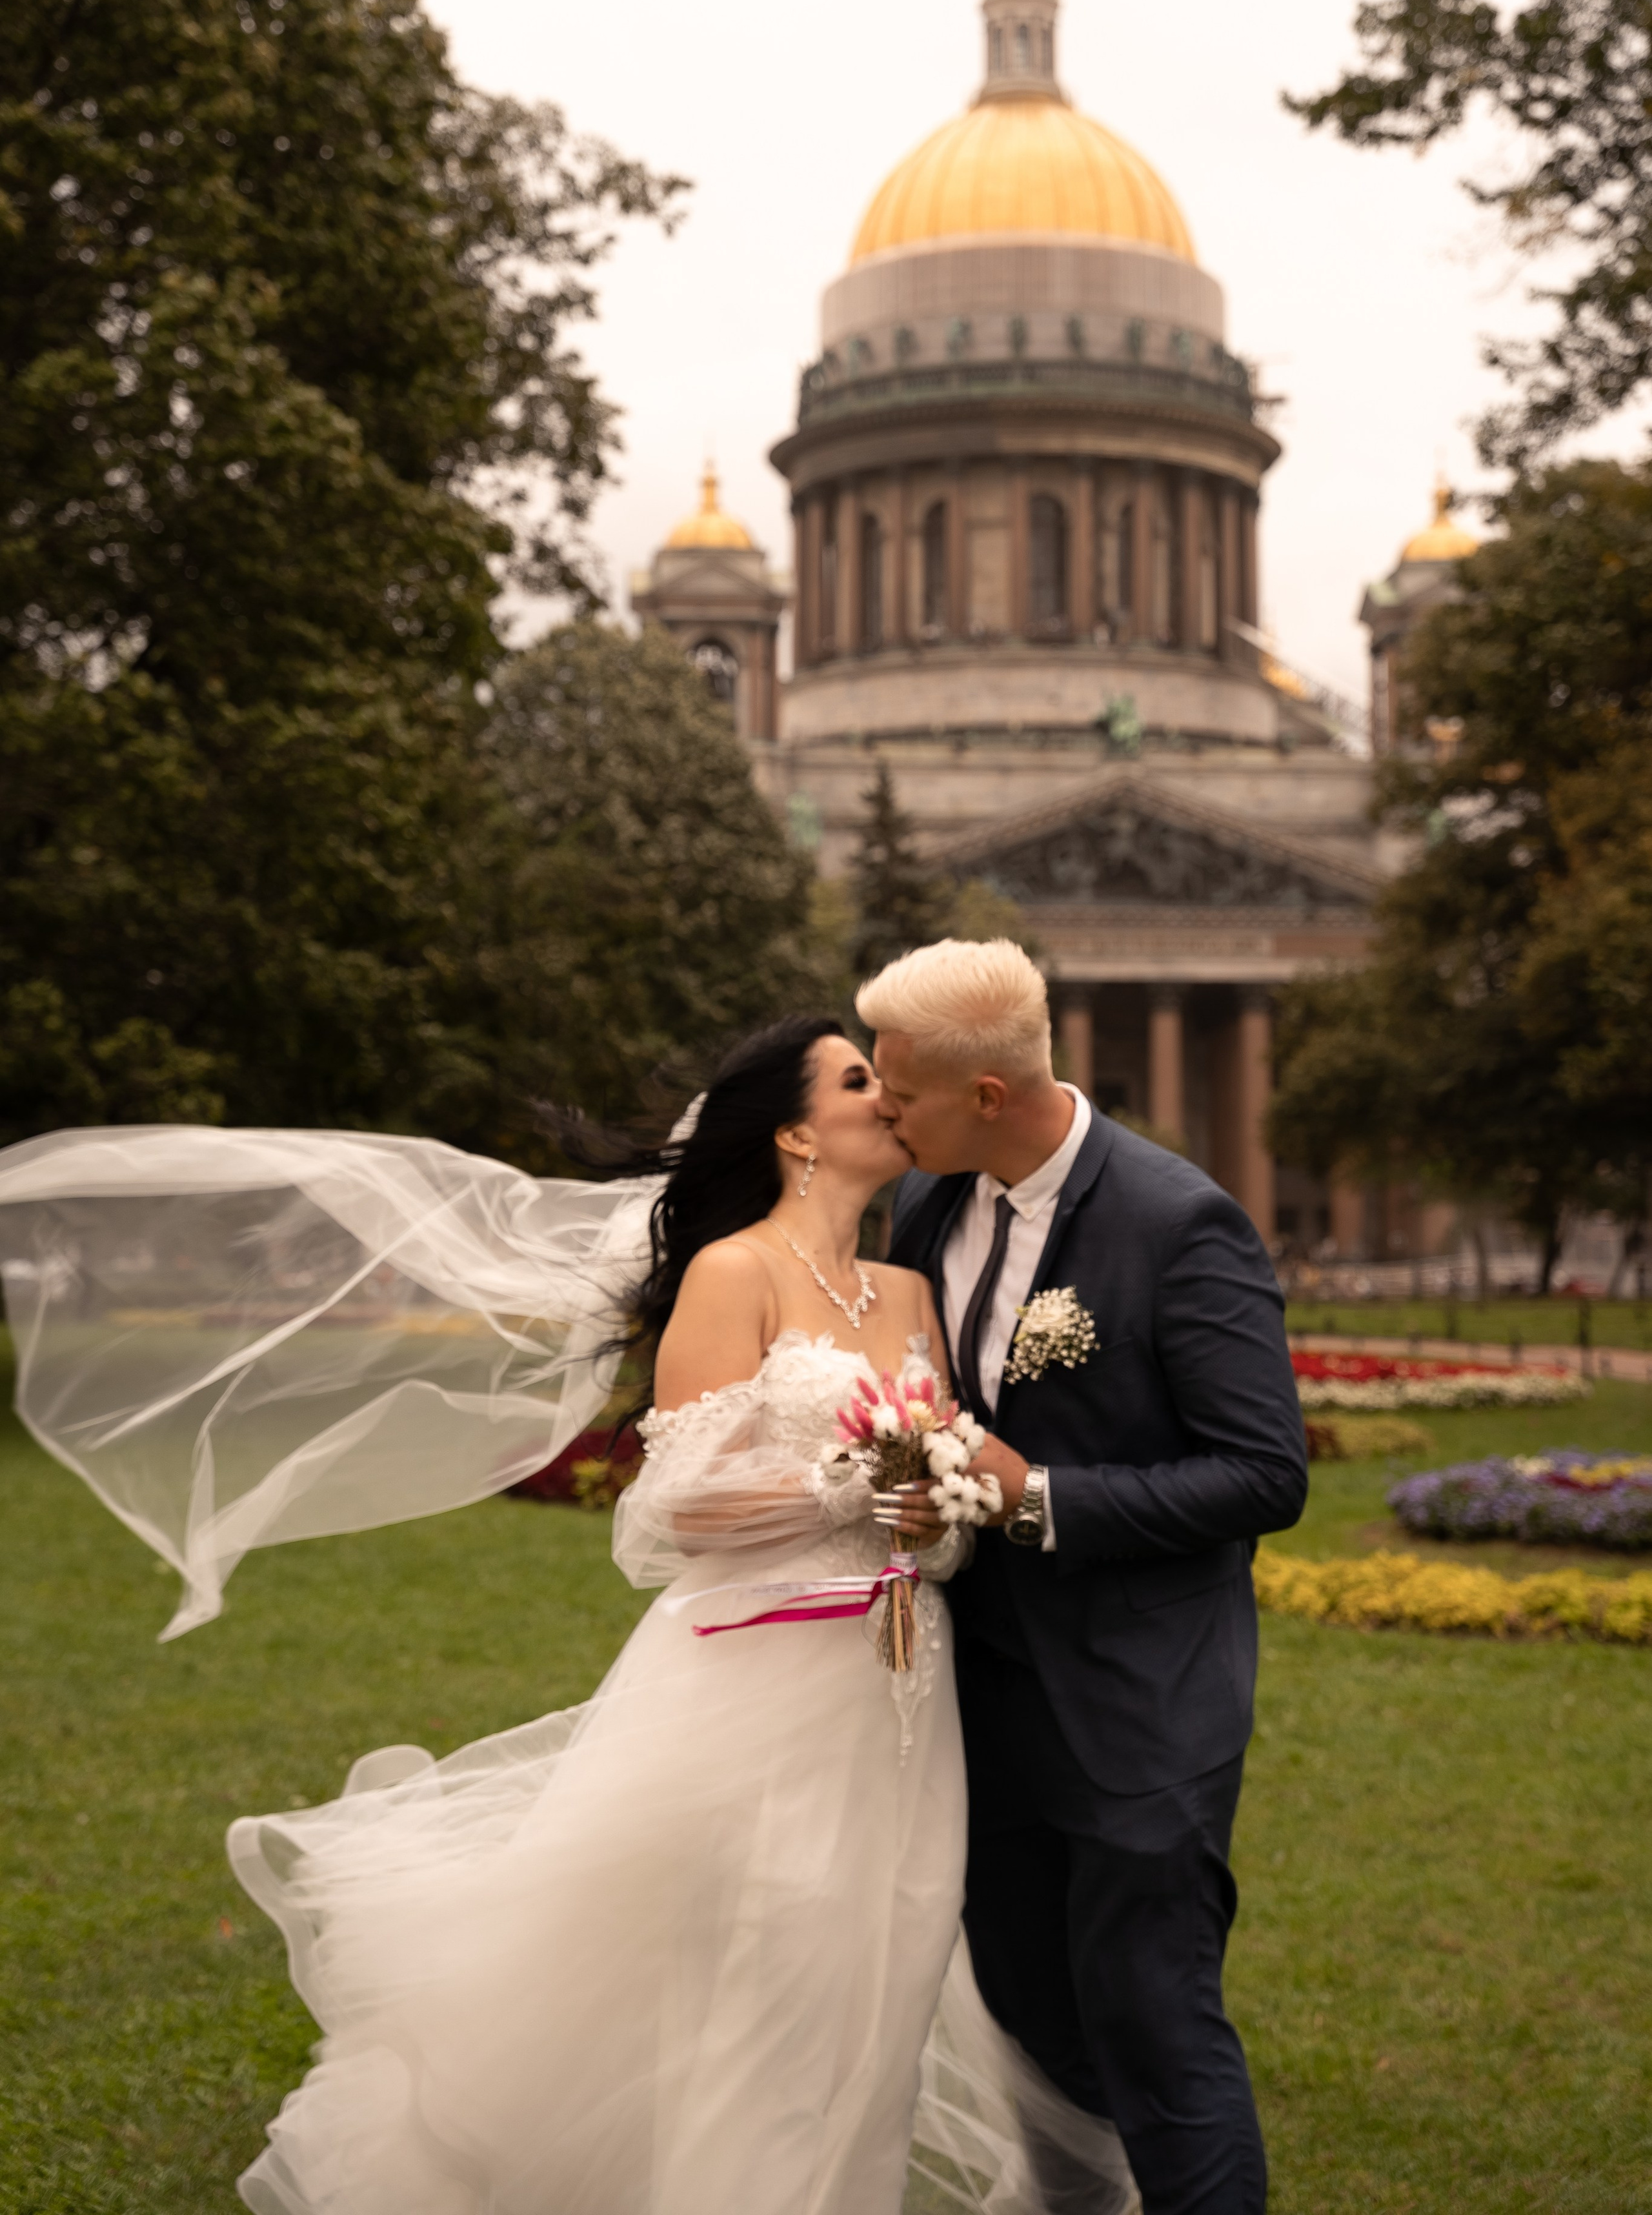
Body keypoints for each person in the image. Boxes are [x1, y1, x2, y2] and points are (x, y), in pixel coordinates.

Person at [0, 1014, 1136, 2214]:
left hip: (900, 1695)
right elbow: (679, 1507)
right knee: (759, 1985)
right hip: (757, 1685)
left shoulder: (910, 1287)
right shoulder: (732, 1270)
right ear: (799, 1132)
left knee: (880, 1981)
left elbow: (947, 1505)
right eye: (860, 1080)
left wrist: (937, 1509)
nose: (890, 1096)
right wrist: (861, 1471)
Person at [861, 940, 1309, 2215]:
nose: (883, 1111)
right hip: (980, 1698)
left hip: (1139, 1703)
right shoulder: (935, 1203)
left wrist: (1038, 1497)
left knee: (1154, 2022)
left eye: (902, 1092)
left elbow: (1261, 1477)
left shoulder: (1181, 1225)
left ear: (988, 1096)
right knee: (1023, 2014)